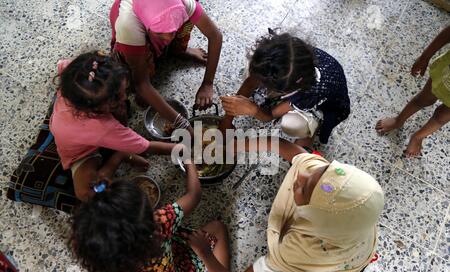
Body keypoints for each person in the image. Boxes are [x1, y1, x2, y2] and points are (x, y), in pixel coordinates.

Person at [185, 138, 384, 272]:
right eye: (318, 169)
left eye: (304, 188)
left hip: (325, 264)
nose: (301, 175)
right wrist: (235, 145)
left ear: (312, 219)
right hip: (358, 250)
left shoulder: (298, 251)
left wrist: (204, 252)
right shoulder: (353, 207)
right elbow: (286, 148)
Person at [71, 157, 231, 272]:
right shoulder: (160, 225)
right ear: (146, 223)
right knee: (217, 228)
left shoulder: (89, 244)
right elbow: (194, 194)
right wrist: (189, 161)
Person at [49, 51, 178, 202]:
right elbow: (147, 147)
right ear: (94, 108)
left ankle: (121, 147)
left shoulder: (76, 76)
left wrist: (117, 104)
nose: (124, 97)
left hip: (73, 126)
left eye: (123, 90)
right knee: (86, 194)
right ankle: (120, 154)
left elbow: (62, 64)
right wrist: (180, 149)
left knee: (121, 109)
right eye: (117, 97)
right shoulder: (102, 128)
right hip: (82, 153)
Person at [220, 32, 350, 147]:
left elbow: (269, 116)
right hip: (302, 81)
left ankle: (313, 127)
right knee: (253, 70)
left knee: (292, 124)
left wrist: (253, 110)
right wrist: (227, 122)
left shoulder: (309, 94)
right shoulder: (287, 55)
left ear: (284, 90)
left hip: (327, 104)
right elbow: (251, 81)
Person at [109, 0, 223, 132]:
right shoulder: (127, 25)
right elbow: (142, 84)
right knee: (137, 76)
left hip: (158, 22)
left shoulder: (182, 4)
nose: (168, 38)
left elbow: (215, 36)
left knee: (183, 22)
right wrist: (182, 123)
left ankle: (178, 49)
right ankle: (149, 55)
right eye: (160, 34)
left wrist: (207, 84)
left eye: (173, 32)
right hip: (133, 35)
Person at [376, 25, 450, 157]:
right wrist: (424, 57)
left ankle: (417, 137)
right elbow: (447, 33)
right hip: (445, 74)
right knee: (423, 99)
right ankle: (399, 120)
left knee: (441, 117)